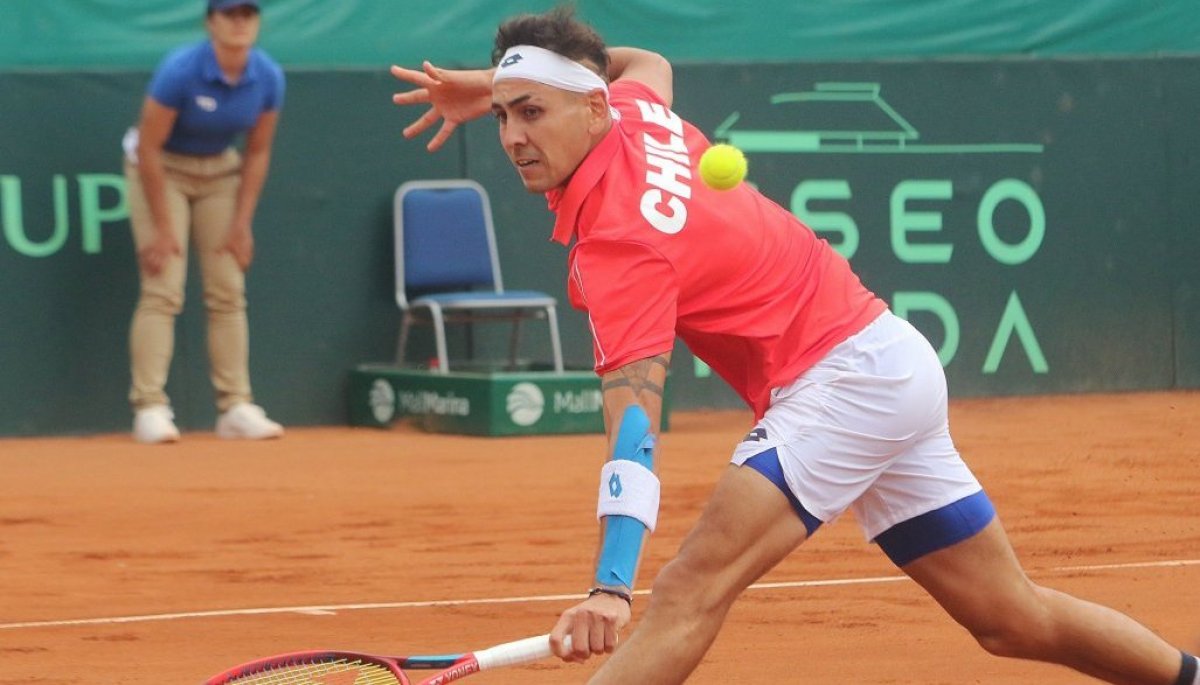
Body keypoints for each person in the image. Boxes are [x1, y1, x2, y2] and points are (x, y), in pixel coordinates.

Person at [391, 7, 1198, 684]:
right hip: (889, 357)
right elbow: (646, 57)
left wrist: (610, 587)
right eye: (503, 116)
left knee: (685, 592)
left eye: (532, 111)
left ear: (592, 109)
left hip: (842, 382)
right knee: (1009, 617)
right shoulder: (638, 110)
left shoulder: (620, 248)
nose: (512, 136)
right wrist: (487, 81)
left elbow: (633, 431)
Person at [123, 0, 284, 444]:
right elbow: (148, 149)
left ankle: (235, 407)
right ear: (211, 22)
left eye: (247, 14)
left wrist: (241, 223)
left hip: (220, 173)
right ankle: (150, 407)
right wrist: (162, 227)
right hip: (160, 170)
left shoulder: (268, 76)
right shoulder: (180, 70)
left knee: (228, 289)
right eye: (229, 14)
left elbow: (257, 151)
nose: (239, 23)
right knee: (163, 287)